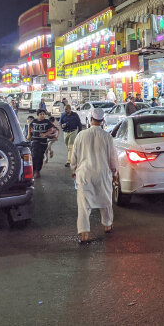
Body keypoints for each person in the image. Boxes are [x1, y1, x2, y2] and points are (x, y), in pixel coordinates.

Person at [71, 107, 119, 243]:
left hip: (85, 174)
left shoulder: (81, 135)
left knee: (84, 206)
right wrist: (114, 172)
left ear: (91, 120)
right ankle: (107, 226)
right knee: (106, 201)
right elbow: (113, 158)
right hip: (103, 174)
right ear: (102, 121)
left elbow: (74, 156)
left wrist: (73, 170)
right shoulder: (107, 136)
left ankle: (84, 235)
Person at [27, 109, 56, 178]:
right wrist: (29, 135)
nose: (42, 115)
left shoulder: (47, 122)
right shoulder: (34, 121)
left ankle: (38, 170)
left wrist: (45, 134)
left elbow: (52, 129)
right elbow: (29, 126)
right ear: (38, 115)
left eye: (43, 114)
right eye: (41, 114)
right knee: (34, 156)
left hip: (43, 142)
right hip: (35, 141)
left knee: (40, 156)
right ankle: (33, 170)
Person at [60, 104, 83, 168]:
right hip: (65, 132)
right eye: (65, 110)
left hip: (73, 131)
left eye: (67, 109)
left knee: (70, 146)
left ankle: (69, 161)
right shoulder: (63, 115)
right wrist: (62, 126)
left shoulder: (75, 115)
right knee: (67, 145)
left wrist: (79, 132)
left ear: (70, 109)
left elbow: (79, 123)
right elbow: (60, 123)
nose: (66, 111)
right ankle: (73, 155)